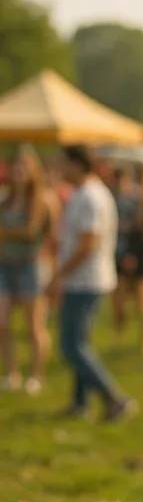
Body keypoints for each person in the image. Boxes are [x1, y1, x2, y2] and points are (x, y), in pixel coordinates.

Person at [49, 145, 134, 420]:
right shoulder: (85, 193)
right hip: (85, 278)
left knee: (71, 345)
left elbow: (88, 242)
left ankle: (114, 398)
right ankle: (80, 404)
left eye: (64, 163)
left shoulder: (90, 196)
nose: (60, 169)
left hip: (85, 280)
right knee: (80, 343)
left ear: (77, 164)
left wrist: (60, 273)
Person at [0, 146, 53, 394]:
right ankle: (12, 373)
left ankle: (37, 375)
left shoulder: (41, 200)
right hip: (5, 265)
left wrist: (5, 233)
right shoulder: (5, 199)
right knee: (2, 323)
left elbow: (31, 231)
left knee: (33, 326)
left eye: (25, 166)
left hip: (29, 267)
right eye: (16, 166)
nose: (19, 171)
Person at [110, 165, 143, 351]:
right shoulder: (111, 198)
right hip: (116, 253)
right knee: (118, 297)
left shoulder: (138, 200)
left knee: (142, 299)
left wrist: (133, 253)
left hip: (137, 253)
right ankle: (121, 327)